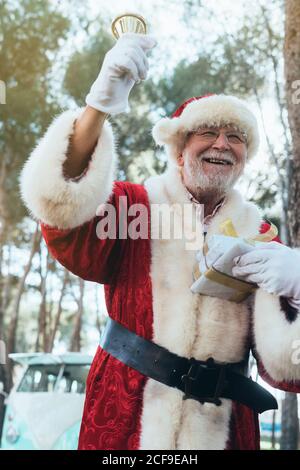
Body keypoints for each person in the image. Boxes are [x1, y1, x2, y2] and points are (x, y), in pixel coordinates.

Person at [20, 33, 300, 450]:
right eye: (207, 131)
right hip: (126, 419)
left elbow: (285, 369)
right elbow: (63, 210)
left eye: (236, 136)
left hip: (226, 432)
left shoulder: (262, 239)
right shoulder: (135, 206)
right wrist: (97, 109)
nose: (222, 144)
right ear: (179, 148)